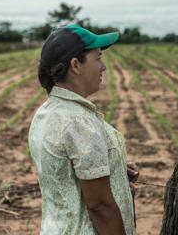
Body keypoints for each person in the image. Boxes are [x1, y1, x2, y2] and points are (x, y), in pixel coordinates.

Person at [28, 24, 138, 235]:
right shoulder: (79, 122)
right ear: (76, 65)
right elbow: (100, 206)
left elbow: (65, 172)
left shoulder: (46, 112)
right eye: (98, 58)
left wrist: (113, 170)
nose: (103, 67)